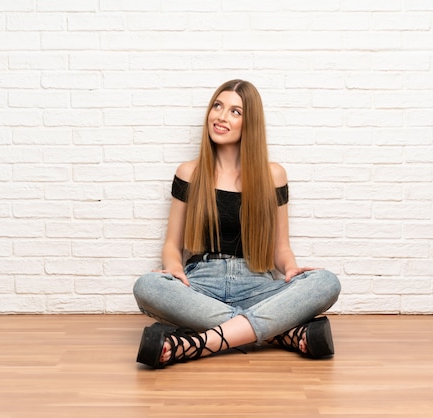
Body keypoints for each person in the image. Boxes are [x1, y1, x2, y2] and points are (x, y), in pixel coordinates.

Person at [133, 79, 341, 369]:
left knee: (326, 282)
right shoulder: (189, 172)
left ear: (250, 123)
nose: (220, 116)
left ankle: (194, 344)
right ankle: (282, 334)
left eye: (235, 111)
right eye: (217, 106)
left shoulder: (274, 175)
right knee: (148, 286)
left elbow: (281, 248)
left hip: (256, 282)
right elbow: (172, 245)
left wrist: (292, 269)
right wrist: (175, 270)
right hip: (201, 283)